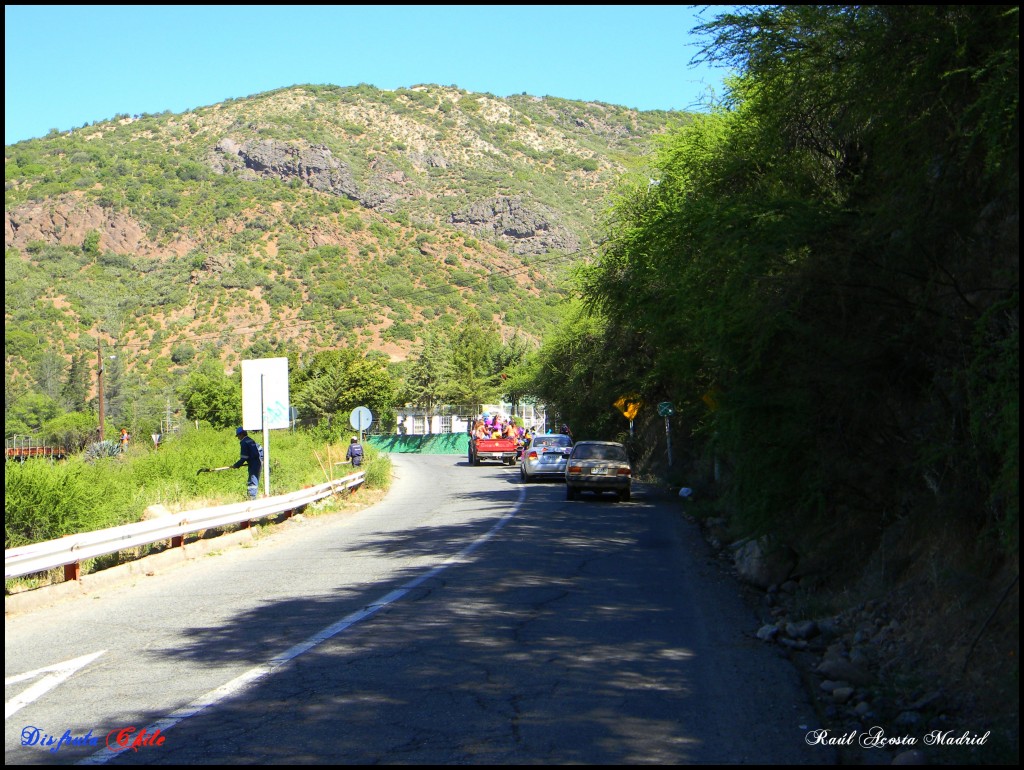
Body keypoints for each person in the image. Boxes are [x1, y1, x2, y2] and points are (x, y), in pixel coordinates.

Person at [232, 427, 262, 499]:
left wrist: (237, 465)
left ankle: (252, 497)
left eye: (238, 436)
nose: (238, 438)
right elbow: (260, 450)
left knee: (252, 479)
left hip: (253, 463)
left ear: (241, 434)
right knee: (255, 479)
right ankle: (252, 496)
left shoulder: (244, 442)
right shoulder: (250, 440)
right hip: (257, 462)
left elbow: (244, 457)